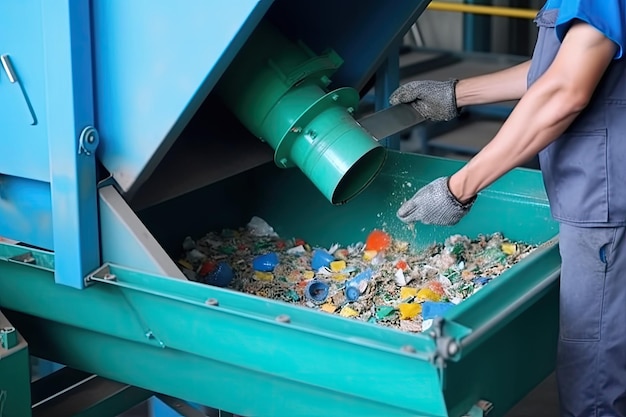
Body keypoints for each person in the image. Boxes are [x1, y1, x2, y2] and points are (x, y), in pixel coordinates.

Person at [389, 1, 626, 416]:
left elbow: (565, 90)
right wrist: (456, 93)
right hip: (597, 193)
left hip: (604, 202)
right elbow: (554, 69)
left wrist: (458, 187)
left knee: (593, 380)